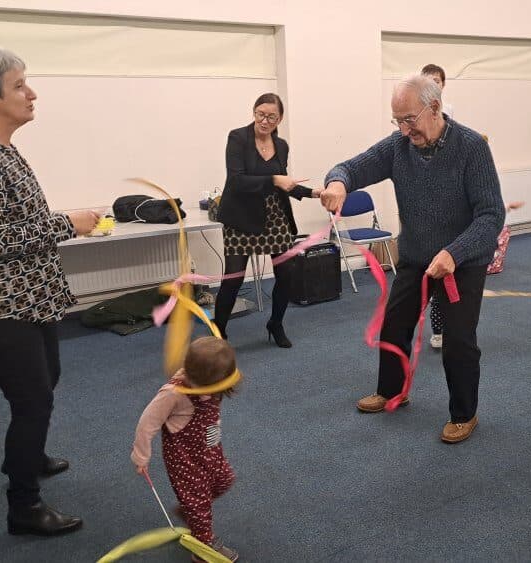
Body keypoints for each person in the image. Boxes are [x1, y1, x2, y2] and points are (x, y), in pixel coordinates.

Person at [0, 47, 100, 535]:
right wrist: (68, 224)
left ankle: (25, 459)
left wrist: (56, 224)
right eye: (19, 85)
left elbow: (16, 223)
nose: (31, 94)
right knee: (32, 400)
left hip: (26, 298)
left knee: (43, 382)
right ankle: (24, 507)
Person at [320, 74, 504, 444]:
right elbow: (352, 167)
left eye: (410, 119)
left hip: (461, 263)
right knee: (394, 327)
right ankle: (391, 391)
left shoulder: (471, 147)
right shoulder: (398, 147)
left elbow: (491, 215)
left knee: (458, 341)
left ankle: (464, 414)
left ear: (434, 108)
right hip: (417, 257)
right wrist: (338, 183)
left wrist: (455, 252)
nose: (404, 130)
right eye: (397, 120)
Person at [214, 93, 322, 347]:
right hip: (240, 217)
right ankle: (218, 333)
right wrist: (274, 179)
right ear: (254, 112)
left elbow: (284, 184)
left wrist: (312, 193)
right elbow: (237, 180)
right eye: (260, 114)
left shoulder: (281, 145)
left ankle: (276, 323)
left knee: (286, 274)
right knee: (233, 278)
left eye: (271, 117)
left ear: (280, 119)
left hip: (273, 216)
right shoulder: (238, 138)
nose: (265, 121)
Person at [132, 336, 240, 562]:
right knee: (199, 501)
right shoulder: (173, 394)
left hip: (211, 451)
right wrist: (141, 456)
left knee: (225, 480)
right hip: (185, 460)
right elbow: (147, 423)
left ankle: (190, 510)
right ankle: (203, 547)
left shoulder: (212, 381)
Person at [422, 63, 453, 349]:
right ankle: (437, 327)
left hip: (448, 208)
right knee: (429, 274)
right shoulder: (415, 120)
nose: (434, 84)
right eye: (429, 80)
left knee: (449, 274)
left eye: (438, 80)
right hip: (426, 208)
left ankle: (446, 328)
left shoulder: (450, 116)